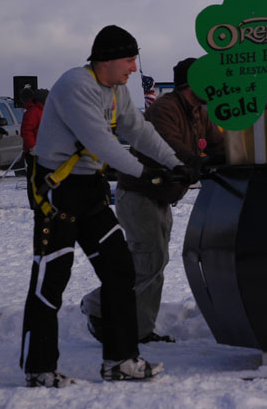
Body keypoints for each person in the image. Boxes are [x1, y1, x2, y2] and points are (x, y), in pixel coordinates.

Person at [19, 25, 197, 388]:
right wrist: (147, 174)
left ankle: (120, 360)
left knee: (120, 270)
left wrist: (174, 161)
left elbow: (138, 130)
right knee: (50, 281)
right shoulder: (75, 86)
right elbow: (100, 141)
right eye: (130, 59)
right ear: (108, 59)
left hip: (91, 192)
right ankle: (39, 368)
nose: (134, 67)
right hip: (59, 193)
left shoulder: (117, 91)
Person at [81, 57, 225, 344]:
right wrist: (199, 162)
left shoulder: (199, 112)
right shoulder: (165, 109)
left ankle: (139, 328)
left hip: (162, 196)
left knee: (153, 262)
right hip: (139, 194)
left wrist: (233, 155)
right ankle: (100, 307)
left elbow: (217, 143)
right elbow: (169, 145)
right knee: (149, 261)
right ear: (191, 83)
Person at [20, 88, 48, 209]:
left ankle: (42, 200)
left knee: (43, 177)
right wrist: (33, 146)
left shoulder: (44, 111)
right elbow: (26, 131)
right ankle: (34, 202)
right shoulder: (33, 112)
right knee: (34, 178)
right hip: (34, 152)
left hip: (45, 151)